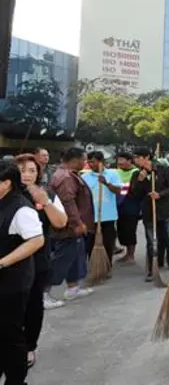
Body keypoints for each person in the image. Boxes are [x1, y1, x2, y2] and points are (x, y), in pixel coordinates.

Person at [16, 154, 67, 369]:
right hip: (8, 260)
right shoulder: (6, 192)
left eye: (31, 170)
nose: (26, 175)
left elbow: (60, 222)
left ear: (39, 173)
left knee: (33, 305)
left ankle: (29, 347)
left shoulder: (47, 194)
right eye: (21, 170)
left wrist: (45, 203)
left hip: (37, 260)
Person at [0, 160, 45, 385]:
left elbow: (36, 240)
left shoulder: (21, 209)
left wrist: (2, 262)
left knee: (10, 333)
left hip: (11, 282)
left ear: (6, 183)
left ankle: (17, 380)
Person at [49, 147, 94, 301]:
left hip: (71, 226)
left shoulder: (67, 174)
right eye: (84, 160)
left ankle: (73, 287)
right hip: (68, 227)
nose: (85, 163)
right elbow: (68, 202)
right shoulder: (66, 177)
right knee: (62, 259)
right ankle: (43, 293)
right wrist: (77, 223)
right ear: (75, 160)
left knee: (74, 256)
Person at [131, 147, 169, 281]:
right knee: (152, 242)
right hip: (148, 212)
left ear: (146, 157)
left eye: (137, 157)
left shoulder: (163, 170)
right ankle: (152, 269)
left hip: (165, 210)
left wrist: (160, 195)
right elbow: (135, 194)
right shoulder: (136, 174)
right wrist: (140, 182)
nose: (135, 160)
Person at [81, 151, 122, 274]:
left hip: (108, 215)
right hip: (91, 216)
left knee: (108, 242)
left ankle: (107, 266)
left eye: (93, 161)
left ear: (101, 161)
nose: (90, 164)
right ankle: (94, 265)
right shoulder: (84, 177)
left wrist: (106, 183)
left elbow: (118, 191)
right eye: (89, 162)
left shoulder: (112, 174)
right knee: (91, 242)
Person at [115, 152, 140, 264]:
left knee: (130, 229)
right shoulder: (117, 172)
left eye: (122, 160)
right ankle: (126, 253)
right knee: (121, 229)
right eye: (119, 160)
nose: (120, 162)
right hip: (119, 204)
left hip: (131, 204)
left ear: (130, 161)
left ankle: (131, 255)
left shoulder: (136, 173)